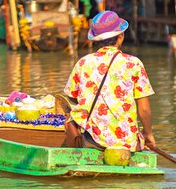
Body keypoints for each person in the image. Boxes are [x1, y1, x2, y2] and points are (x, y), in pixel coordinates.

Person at [63, 10, 156, 151]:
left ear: (95, 40)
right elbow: (143, 108)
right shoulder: (134, 63)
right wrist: (148, 135)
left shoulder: (83, 63)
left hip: (91, 140)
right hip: (125, 142)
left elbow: (72, 99)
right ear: (121, 36)